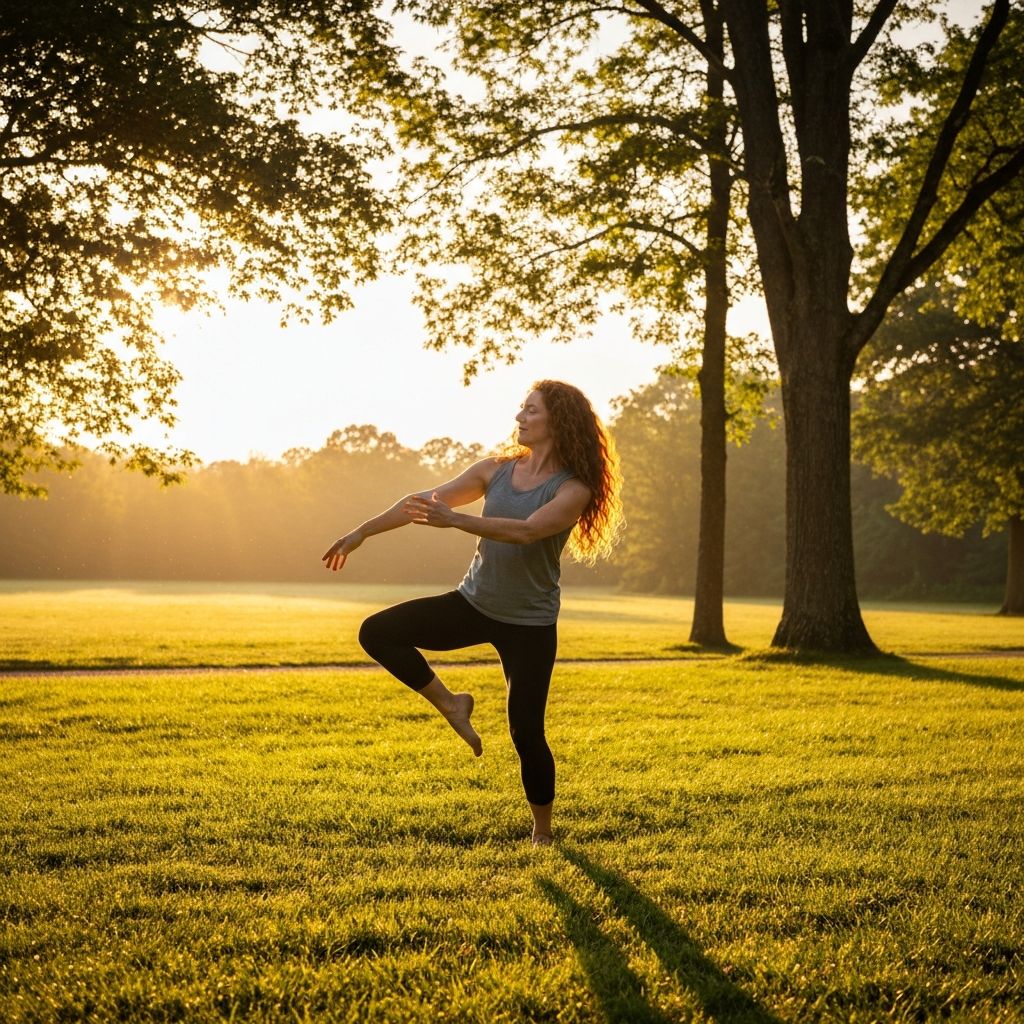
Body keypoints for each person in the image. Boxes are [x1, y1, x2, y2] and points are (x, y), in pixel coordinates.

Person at [321, 380, 623, 845]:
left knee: (526, 731)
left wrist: (457, 520)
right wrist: (363, 531)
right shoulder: (495, 470)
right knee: (378, 632)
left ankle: (542, 832)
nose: (520, 417)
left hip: (530, 624)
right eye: (521, 409)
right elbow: (420, 502)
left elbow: (527, 532)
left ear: (558, 422)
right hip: (474, 603)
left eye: (532, 411)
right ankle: (451, 703)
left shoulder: (573, 489)